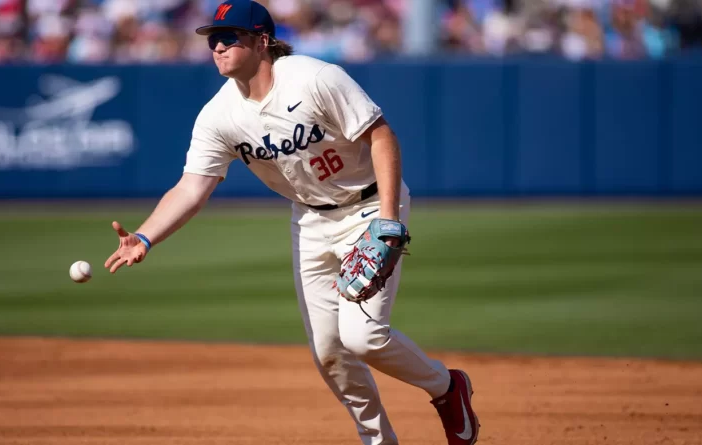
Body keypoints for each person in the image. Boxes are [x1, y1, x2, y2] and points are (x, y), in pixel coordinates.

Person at [104, 1, 479, 443]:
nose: (217, 47)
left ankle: (446, 387)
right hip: (310, 219)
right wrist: (146, 236)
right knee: (330, 354)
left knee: (363, 338)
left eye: (229, 37)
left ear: (262, 41)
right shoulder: (218, 115)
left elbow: (381, 136)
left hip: (369, 206)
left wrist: (388, 220)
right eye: (212, 39)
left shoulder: (315, 78)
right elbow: (192, 187)